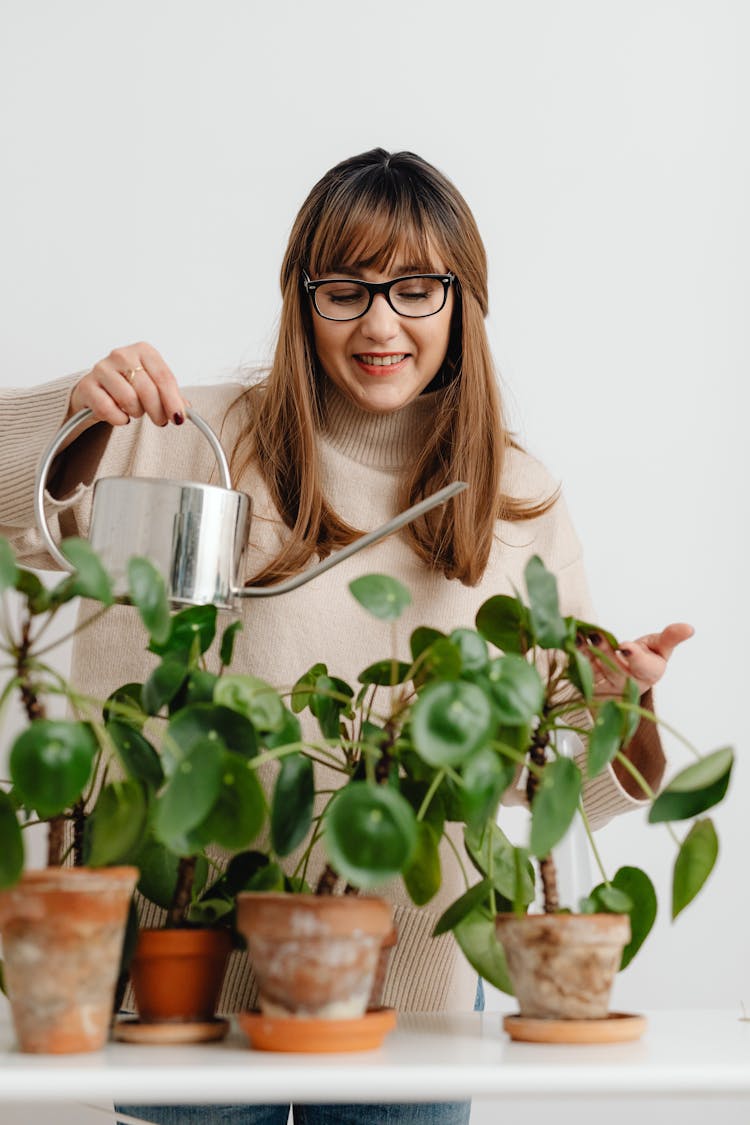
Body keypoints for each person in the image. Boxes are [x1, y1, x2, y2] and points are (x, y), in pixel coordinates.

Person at [1, 148, 692, 1125]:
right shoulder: (181, 437)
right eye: (346, 289)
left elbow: (554, 788)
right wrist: (74, 418)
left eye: (416, 289)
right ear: (302, 299)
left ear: (463, 303)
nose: (380, 323)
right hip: (186, 980)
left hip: (409, 993)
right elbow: (10, 518)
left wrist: (627, 705)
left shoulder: (516, 498)